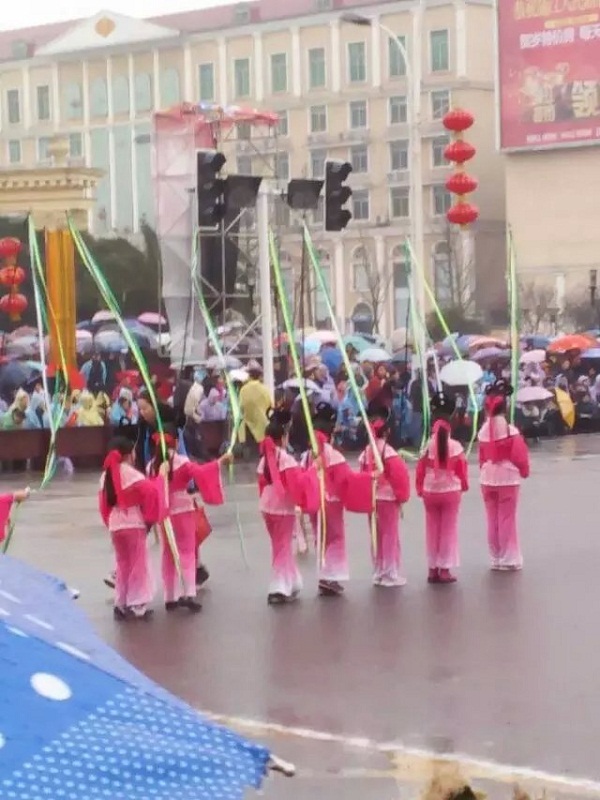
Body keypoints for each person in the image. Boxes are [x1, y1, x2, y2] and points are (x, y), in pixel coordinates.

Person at [149, 424, 230, 612]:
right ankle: (189, 592)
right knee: (187, 551)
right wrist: (220, 461)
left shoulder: (152, 465)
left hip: (164, 512)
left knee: (168, 553)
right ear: (176, 443)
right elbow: (202, 472)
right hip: (183, 509)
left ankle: (170, 596)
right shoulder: (181, 462)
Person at [301, 402, 375, 597]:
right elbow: (347, 479)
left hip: (315, 502)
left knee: (320, 538)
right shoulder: (333, 455)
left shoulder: (308, 456)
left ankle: (324, 575)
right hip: (331, 502)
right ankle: (330, 577)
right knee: (335, 538)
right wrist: (370, 478)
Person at [99, 436, 168, 619]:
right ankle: (138, 604)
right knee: (138, 563)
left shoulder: (105, 476)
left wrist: (110, 521)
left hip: (115, 524)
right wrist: (161, 476)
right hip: (133, 523)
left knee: (122, 564)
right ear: (128, 455)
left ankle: (121, 603)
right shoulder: (130, 473)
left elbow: (103, 504)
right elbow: (152, 492)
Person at [257, 408, 318, 605]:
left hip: (267, 506)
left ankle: (291, 581)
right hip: (283, 507)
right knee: (283, 545)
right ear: (283, 437)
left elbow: (261, 483)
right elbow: (297, 484)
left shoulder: (264, 459)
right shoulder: (285, 459)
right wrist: (314, 469)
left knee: (278, 545)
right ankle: (280, 585)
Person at [416, 392, 469, 584]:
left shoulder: (427, 446)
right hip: (450, 490)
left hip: (430, 491)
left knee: (432, 529)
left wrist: (420, 488)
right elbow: (461, 471)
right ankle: (445, 569)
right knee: (448, 530)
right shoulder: (455, 446)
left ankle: (432, 568)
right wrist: (463, 485)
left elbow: (420, 470)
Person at [478, 380, 530, 571]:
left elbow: (482, 458)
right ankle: (509, 558)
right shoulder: (510, 431)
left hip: (487, 478)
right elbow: (519, 456)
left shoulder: (483, 431)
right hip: (507, 478)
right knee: (507, 518)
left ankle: (496, 557)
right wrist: (524, 470)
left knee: (492, 519)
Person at [358, 404, 411, 587]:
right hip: (387, 499)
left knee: (376, 535)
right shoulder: (388, 453)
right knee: (390, 535)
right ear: (387, 432)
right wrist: (401, 496)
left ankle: (379, 570)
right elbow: (399, 477)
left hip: (372, 499)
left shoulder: (366, 452)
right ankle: (390, 573)